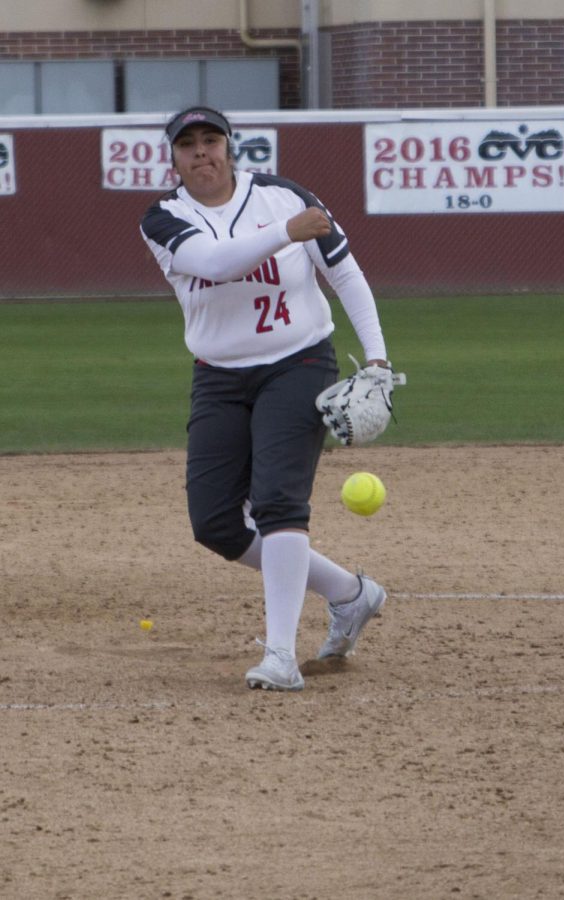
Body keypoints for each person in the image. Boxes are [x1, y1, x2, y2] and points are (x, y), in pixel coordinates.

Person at [140, 106, 394, 692]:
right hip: (219, 374)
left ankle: (280, 655)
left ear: (231, 148)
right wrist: (289, 232)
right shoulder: (164, 217)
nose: (201, 152)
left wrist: (378, 359)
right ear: (173, 159)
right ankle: (350, 594)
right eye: (188, 145)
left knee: (279, 501)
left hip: (298, 362)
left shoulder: (284, 196)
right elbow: (213, 263)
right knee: (215, 523)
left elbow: (346, 275)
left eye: (211, 140)